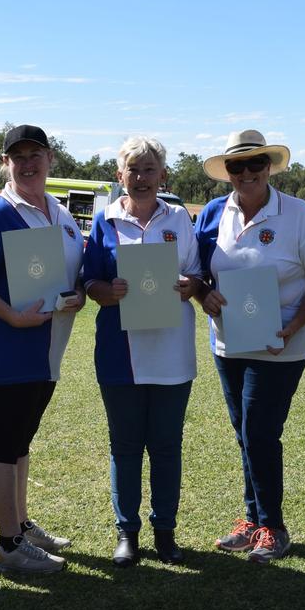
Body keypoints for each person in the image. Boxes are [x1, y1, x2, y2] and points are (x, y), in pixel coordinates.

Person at [194, 129, 305, 564]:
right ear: (228, 173)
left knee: (259, 431)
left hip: (281, 346)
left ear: (269, 167)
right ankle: (251, 520)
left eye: (255, 163)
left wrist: (293, 325)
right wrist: (205, 296)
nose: (246, 172)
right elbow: (198, 274)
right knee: (245, 434)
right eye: (237, 166)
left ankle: (272, 526)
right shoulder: (213, 214)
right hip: (228, 342)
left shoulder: (298, 216)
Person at [0, 124, 85, 574]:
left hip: (44, 354)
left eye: (36, 155)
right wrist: (10, 315)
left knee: (20, 445)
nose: (28, 164)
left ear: (51, 159)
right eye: (18, 157)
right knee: (3, 446)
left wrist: (78, 294)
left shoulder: (60, 214)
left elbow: (72, 277)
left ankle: (21, 525)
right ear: (6, 163)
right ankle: (9, 546)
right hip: (5, 352)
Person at [82, 136, 202, 567]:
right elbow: (89, 279)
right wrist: (105, 291)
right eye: (133, 169)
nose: (141, 177)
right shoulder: (105, 221)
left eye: (150, 169)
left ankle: (165, 532)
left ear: (162, 175)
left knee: (167, 446)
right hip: (120, 355)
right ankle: (127, 533)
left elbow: (197, 275)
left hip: (172, 354)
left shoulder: (181, 221)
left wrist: (192, 286)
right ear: (120, 176)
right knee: (126, 446)